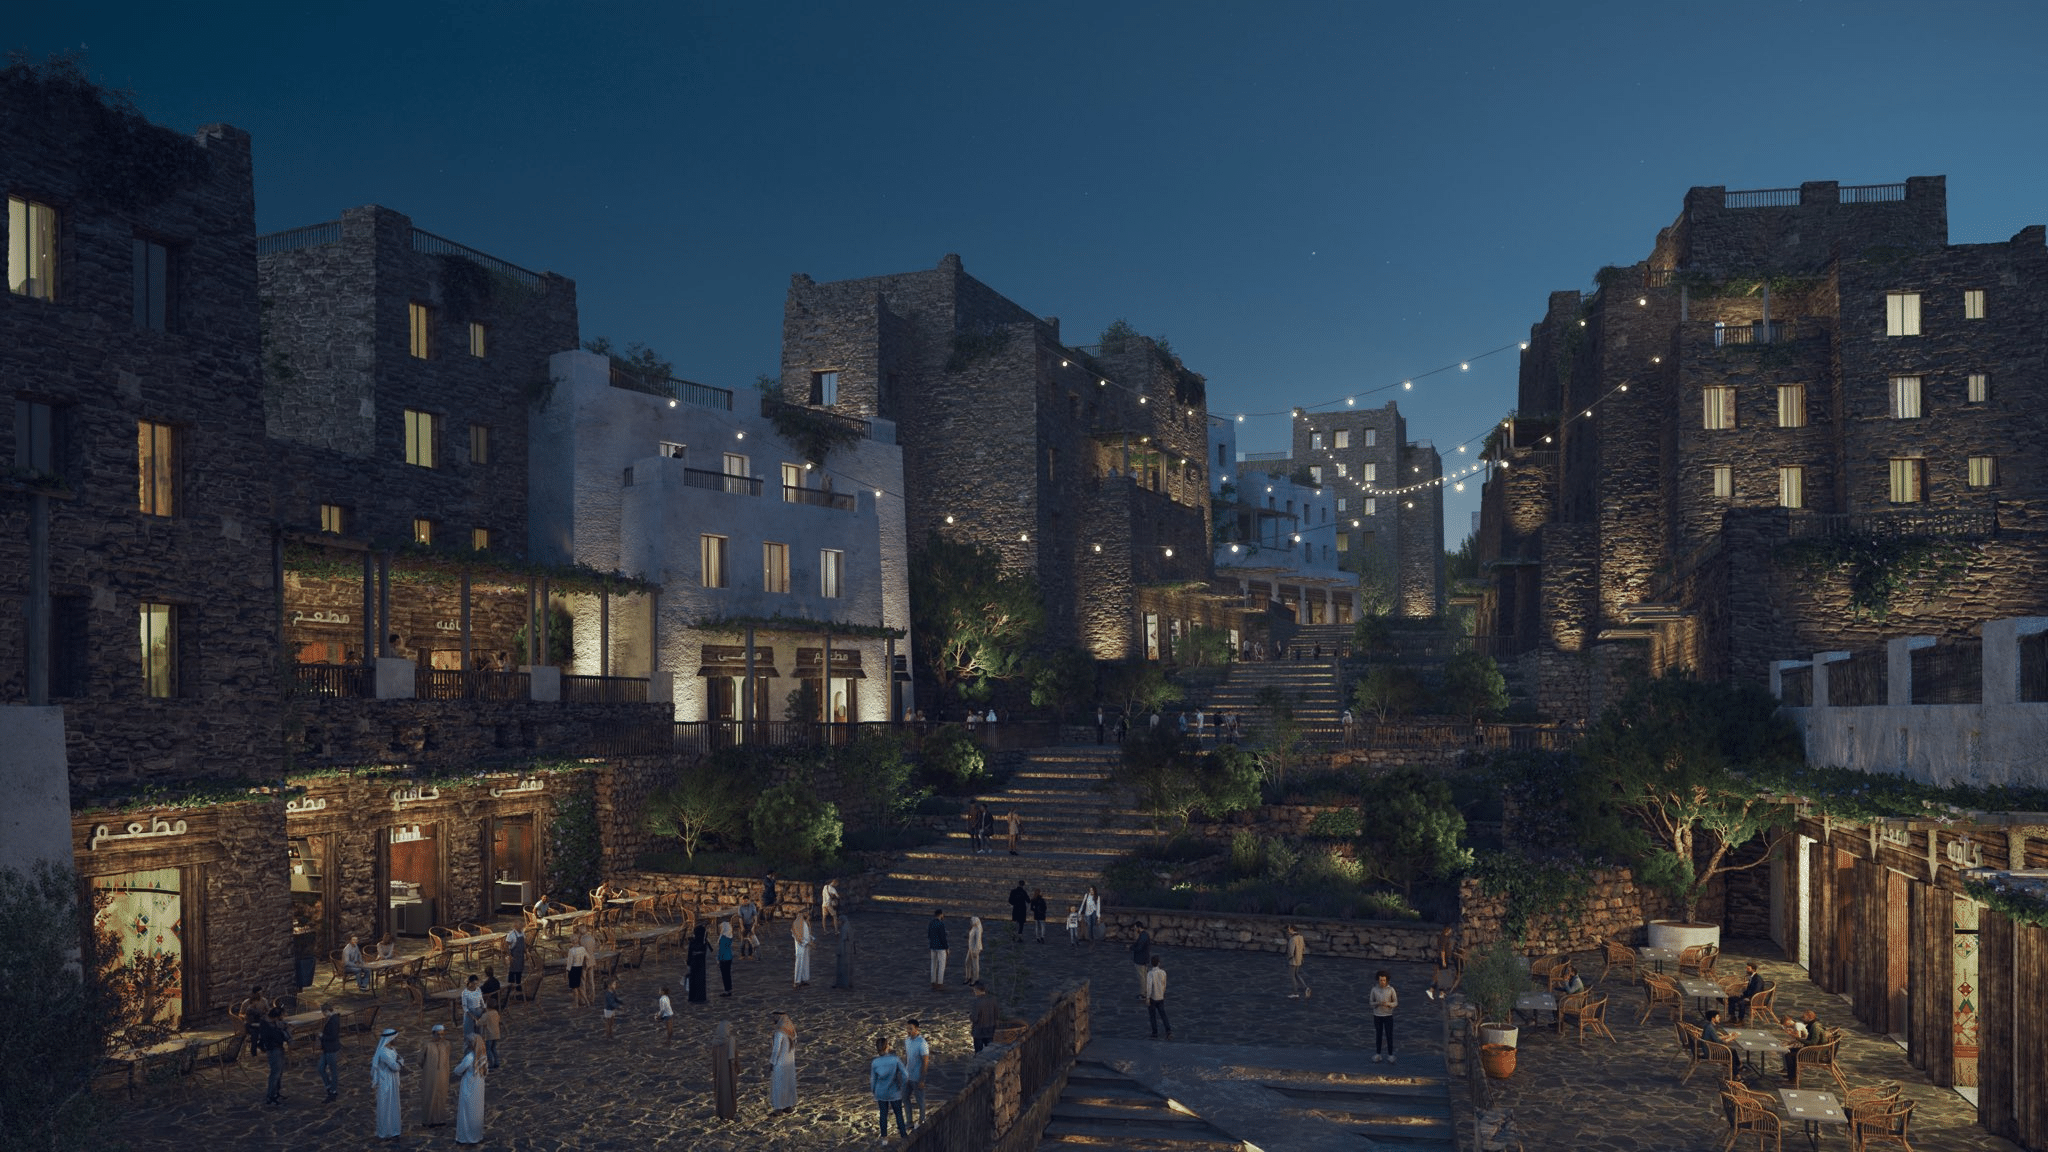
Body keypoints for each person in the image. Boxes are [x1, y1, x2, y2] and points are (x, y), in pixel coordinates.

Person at [870, 1035, 910, 1139]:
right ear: (887, 1047)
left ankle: (884, 1138)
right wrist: (903, 1087)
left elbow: (873, 1080)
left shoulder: (875, 1062)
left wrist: (874, 1091)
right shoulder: (895, 1059)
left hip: (881, 1092)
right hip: (894, 1092)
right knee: (898, 1114)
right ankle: (903, 1135)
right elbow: (905, 1075)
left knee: (883, 1115)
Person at [452, 1033, 488, 1145]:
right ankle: (476, 1135)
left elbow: (458, 1070)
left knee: (466, 1111)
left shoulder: (470, 1057)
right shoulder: (483, 1057)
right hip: (479, 1086)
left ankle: (466, 1137)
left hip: (469, 1086)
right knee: (476, 1110)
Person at [371, 1027, 404, 1139]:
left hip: (392, 1081)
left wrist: (398, 1061)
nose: (397, 1040)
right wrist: (401, 1062)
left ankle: (393, 1129)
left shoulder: (391, 1050)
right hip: (386, 1082)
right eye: (395, 1038)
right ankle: (385, 1131)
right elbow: (395, 1067)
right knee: (385, 1106)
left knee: (393, 1105)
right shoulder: (384, 1052)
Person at [421, 1023, 453, 1127]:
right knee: (430, 1095)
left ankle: (440, 1119)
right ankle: (428, 1120)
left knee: (441, 1096)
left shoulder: (446, 1044)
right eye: (438, 1034)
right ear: (433, 1034)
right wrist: (428, 1068)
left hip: (443, 1074)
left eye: (442, 1034)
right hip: (430, 1075)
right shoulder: (427, 1045)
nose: (440, 1037)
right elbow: (420, 1059)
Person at [257, 1004, 290, 1105]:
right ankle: (271, 1095)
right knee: (275, 1074)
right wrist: (284, 1032)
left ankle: (276, 1092)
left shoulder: (270, 1023)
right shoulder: (268, 1026)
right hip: (274, 1050)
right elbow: (278, 1037)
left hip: (277, 1049)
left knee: (279, 1073)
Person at [902, 1018, 931, 1125]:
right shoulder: (907, 1041)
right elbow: (907, 1057)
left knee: (920, 1100)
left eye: (910, 1028)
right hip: (907, 1076)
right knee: (905, 1098)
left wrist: (922, 1079)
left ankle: (922, 1120)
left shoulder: (922, 1043)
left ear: (917, 1029)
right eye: (907, 1029)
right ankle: (909, 1121)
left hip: (917, 1076)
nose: (908, 1031)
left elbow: (925, 1061)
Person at [709, 1020, 739, 1121]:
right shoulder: (730, 1040)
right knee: (729, 1090)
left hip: (718, 1071)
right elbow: (732, 1058)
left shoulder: (715, 1042)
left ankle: (721, 1113)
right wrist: (736, 1069)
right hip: (728, 1071)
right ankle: (730, 1113)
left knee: (720, 1090)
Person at [1782, 1009, 1825, 1078]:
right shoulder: (1814, 1025)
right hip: (1814, 1049)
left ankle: (1792, 1077)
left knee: (1789, 1055)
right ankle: (1792, 1075)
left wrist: (1799, 1039)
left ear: (1809, 1017)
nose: (1802, 1019)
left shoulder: (1815, 1027)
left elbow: (1812, 1042)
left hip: (1814, 1052)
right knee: (1790, 1051)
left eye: (1804, 1017)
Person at [769, 1013, 798, 1112]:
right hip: (789, 1062)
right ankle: (788, 1105)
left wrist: (772, 1062)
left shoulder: (779, 1032)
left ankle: (779, 1108)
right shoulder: (791, 1030)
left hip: (780, 1063)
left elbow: (776, 1049)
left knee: (779, 1084)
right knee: (788, 1083)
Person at [1369, 970, 1398, 1063]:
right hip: (1377, 1015)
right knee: (1379, 1035)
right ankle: (1378, 1054)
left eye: (1384, 980)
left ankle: (1390, 1055)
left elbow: (1395, 1002)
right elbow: (1371, 1002)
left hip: (1388, 1015)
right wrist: (1378, 1003)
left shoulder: (1391, 990)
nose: (1382, 982)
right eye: (1381, 980)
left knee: (1389, 1035)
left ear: (1387, 981)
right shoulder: (1374, 989)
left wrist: (1389, 1004)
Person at [318, 1001, 344, 1102]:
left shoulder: (334, 1020)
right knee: (320, 1068)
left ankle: (333, 1091)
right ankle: (329, 1087)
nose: (323, 1014)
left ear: (328, 1011)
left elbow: (333, 1036)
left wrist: (322, 1036)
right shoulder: (331, 1019)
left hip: (331, 1048)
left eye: (324, 1012)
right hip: (327, 1048)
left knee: (333, 1071)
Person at [1145, 956, 1172, 1039]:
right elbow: (1164, 984)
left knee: (1152, 1016)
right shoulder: (1163, 972)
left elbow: (1149, 987)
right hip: (1160, 997)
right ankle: (1168, 1031)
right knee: (1163, 1015)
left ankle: (1155, 1033)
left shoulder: (1150, 974)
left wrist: (1147, 997)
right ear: (1159, 963)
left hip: (1153, 997)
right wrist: (1162, 993)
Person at [970, 980, 1000, 1053]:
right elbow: (997, 1013)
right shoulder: (993, 999)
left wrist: (970, 1016)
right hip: (990, 1029)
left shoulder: (977, 1002)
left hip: (979, 1031)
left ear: (977, 990)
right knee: (990, 1051)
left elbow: (974, 1018)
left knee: (979, 1052)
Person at [1285, 925, 1310, 999]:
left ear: (1292, 930)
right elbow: (1303, 948)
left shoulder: (1293, 939)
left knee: (1292, 976)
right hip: (1299, 959)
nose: (1288, 931)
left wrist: (1289, 957)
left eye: (1289, 929)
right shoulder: (1301, 937)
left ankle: (1295, 992)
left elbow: (1291, 950)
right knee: (1296, 974)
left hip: (1293, 960)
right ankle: (1305, 988)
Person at [688, 924, 710, 1004]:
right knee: (700, 980)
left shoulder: (692, 942)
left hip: (694, 962)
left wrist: (689, 962)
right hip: (701, 963)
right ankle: (700, 997)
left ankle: (693, 997)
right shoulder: (703, 943)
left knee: (693, 980)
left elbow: (689, 953)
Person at [791, 911, 814, 987]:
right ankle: (797, 981)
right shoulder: (797, 924)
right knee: (799, 963)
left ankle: (804, 978)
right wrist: (807, 942)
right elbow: (798, 937)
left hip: (806, 947)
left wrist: (811, 940)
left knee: (805, 963)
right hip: (800, 947)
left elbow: (807, 934)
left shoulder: (805, 923)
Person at [928, 908, 949, 989]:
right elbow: (943, 938)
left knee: (933, 964)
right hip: (940, 947)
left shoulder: (931, 923)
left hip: (933, 946)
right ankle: (940, 982)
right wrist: (946, 947)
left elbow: (929, 935)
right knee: (941, 965)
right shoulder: (941, 924)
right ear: (940, 915)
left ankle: (933, 981)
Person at [1131, 922, 1153, 1002]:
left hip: (1140, 960)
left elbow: (1139, 947)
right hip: (1143, 959)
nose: (1135, 929)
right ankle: (1146, 992)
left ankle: (1143, 994)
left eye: (1135, 927)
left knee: (1142, 977)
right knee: (1144, 976)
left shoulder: (1143, 936)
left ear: (1139, 927)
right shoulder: (1144, 935)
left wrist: (1131, 948)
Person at [833, 910, 855, 989]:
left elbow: (843, 940)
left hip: (844, 950)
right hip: (849, 950)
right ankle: (848, 983)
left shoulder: (844, 928)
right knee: (848, 967)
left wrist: (839, 951)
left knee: (842, 967)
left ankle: (843, 983)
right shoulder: (848, 926)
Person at [460, 974, 484, 1046]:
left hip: (478, 1011)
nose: (474, 985)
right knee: (469, 1034)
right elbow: (465, 1007)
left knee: (479, 1033)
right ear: (469, 983)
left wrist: (484, 1009)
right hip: (469, 1013)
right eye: (473, 984)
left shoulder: (478, 990)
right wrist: (472, 1016)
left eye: (476, 984)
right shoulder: (465, 993)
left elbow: (481, 1001)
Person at [566, 937, 590, 1006]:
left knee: (574, 988)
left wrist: (567, 971)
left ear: (572, 942)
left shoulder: (571, 950)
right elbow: (587, 957)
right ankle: (586, 1001)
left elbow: (569, 963)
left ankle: (576, 1004)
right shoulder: (582, 949)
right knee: (579, 987)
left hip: (573, 969)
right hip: (579, 968)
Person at [505, 927, 527, 993]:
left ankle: (518, 989)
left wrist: (526, 952)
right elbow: (506, 945)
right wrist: (509, 955)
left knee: (519, 973)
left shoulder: (522, 933)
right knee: (512, 973)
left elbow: (524, 944)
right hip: (514, 956)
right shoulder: (511, 934)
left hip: (521, 957)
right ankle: (510, 989)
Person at [480, 1002, 502, 1070]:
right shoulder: (496, 1013)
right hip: (496, 1033)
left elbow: (479, 1022)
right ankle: (497, 1062)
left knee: (488, 1050)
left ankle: (491, 1064)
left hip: (489, 1035)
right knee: (494, 1049)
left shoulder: (486, 1015)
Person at [718, 920, 736, 996]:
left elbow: (721, 950)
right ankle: (729, 989)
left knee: (725, 975)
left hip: (724, 958)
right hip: (729, 957)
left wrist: (718, 959)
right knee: (728, 974)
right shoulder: (730, 936)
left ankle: (727, 990)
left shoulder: (723, 938)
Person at [964, 914, 983, 985]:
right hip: (970, 948)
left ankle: (975, 978)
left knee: (975, 964)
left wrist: (976, 950)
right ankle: (968, 976)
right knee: (967, 962)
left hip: (975, 949)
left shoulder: (978, 929)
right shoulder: (973, 928)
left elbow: (978, 940)